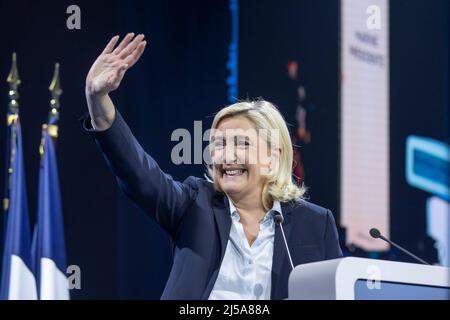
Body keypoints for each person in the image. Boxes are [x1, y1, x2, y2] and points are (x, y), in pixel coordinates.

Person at [81, 33, 342, 300]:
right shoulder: (194, 205)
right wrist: (98, 99)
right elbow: (138, 173)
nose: (226, 156)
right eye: (218, 144)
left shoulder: (316, 224)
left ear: (272, 158)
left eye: (241, 144)